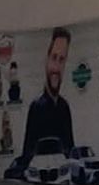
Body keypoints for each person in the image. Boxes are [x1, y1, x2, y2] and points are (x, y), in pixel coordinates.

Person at [21, 28, 76, 161]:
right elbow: (27, 157)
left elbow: (70, 153)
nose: (56, 67)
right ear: (46, 60)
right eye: (54, 57)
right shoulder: (36, 108)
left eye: (62, 59)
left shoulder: (64, 107)